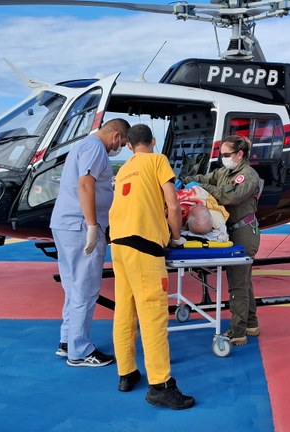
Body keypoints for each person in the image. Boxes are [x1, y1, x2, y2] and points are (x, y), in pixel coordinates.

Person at [109, 124, 195, 410]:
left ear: (130, 145)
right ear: (153, 141)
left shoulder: (124, 169)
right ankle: (160, 384)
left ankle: (127, 372)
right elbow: (172, 203)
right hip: (144, 246)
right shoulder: (158, 160)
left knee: (125, 309)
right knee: (153, 316)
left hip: (119, 245)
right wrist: (177, 236)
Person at [49, 118, 129, 367]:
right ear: (116, 136)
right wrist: (93, 226)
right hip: (81, 226)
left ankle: (68, 341)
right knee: (85, 287)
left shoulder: (83, 145)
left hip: (67, 224)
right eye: (123, 143)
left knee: (73, 286)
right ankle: (80, 351)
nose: (122, 148)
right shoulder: (95, 148)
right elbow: (86, 184)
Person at [182, 135, 261, 345]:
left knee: (237, 284)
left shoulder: (248, 176)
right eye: (222, 155)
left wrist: (205, 188)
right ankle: (251, 323)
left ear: (239, 154)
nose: (223, 158)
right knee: (243, 281)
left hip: (245, 232)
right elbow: (208, 178)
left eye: (227, 155)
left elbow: (230, 198)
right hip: (233, 230)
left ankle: (237, 332)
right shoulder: (225, 171)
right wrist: (189, 179)